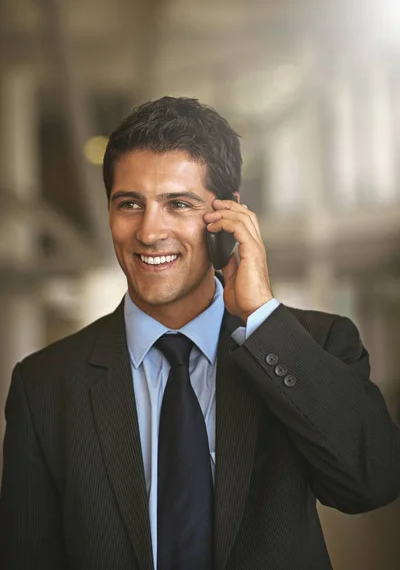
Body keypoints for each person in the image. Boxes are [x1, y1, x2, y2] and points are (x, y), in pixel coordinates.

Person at [1, 96, 399, 570]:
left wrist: (262, 318)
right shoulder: (44, 385)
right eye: (129, 204)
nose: (149, 232)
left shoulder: (313, 345)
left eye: (178, 204)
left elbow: (372, 480)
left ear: (226, 219)